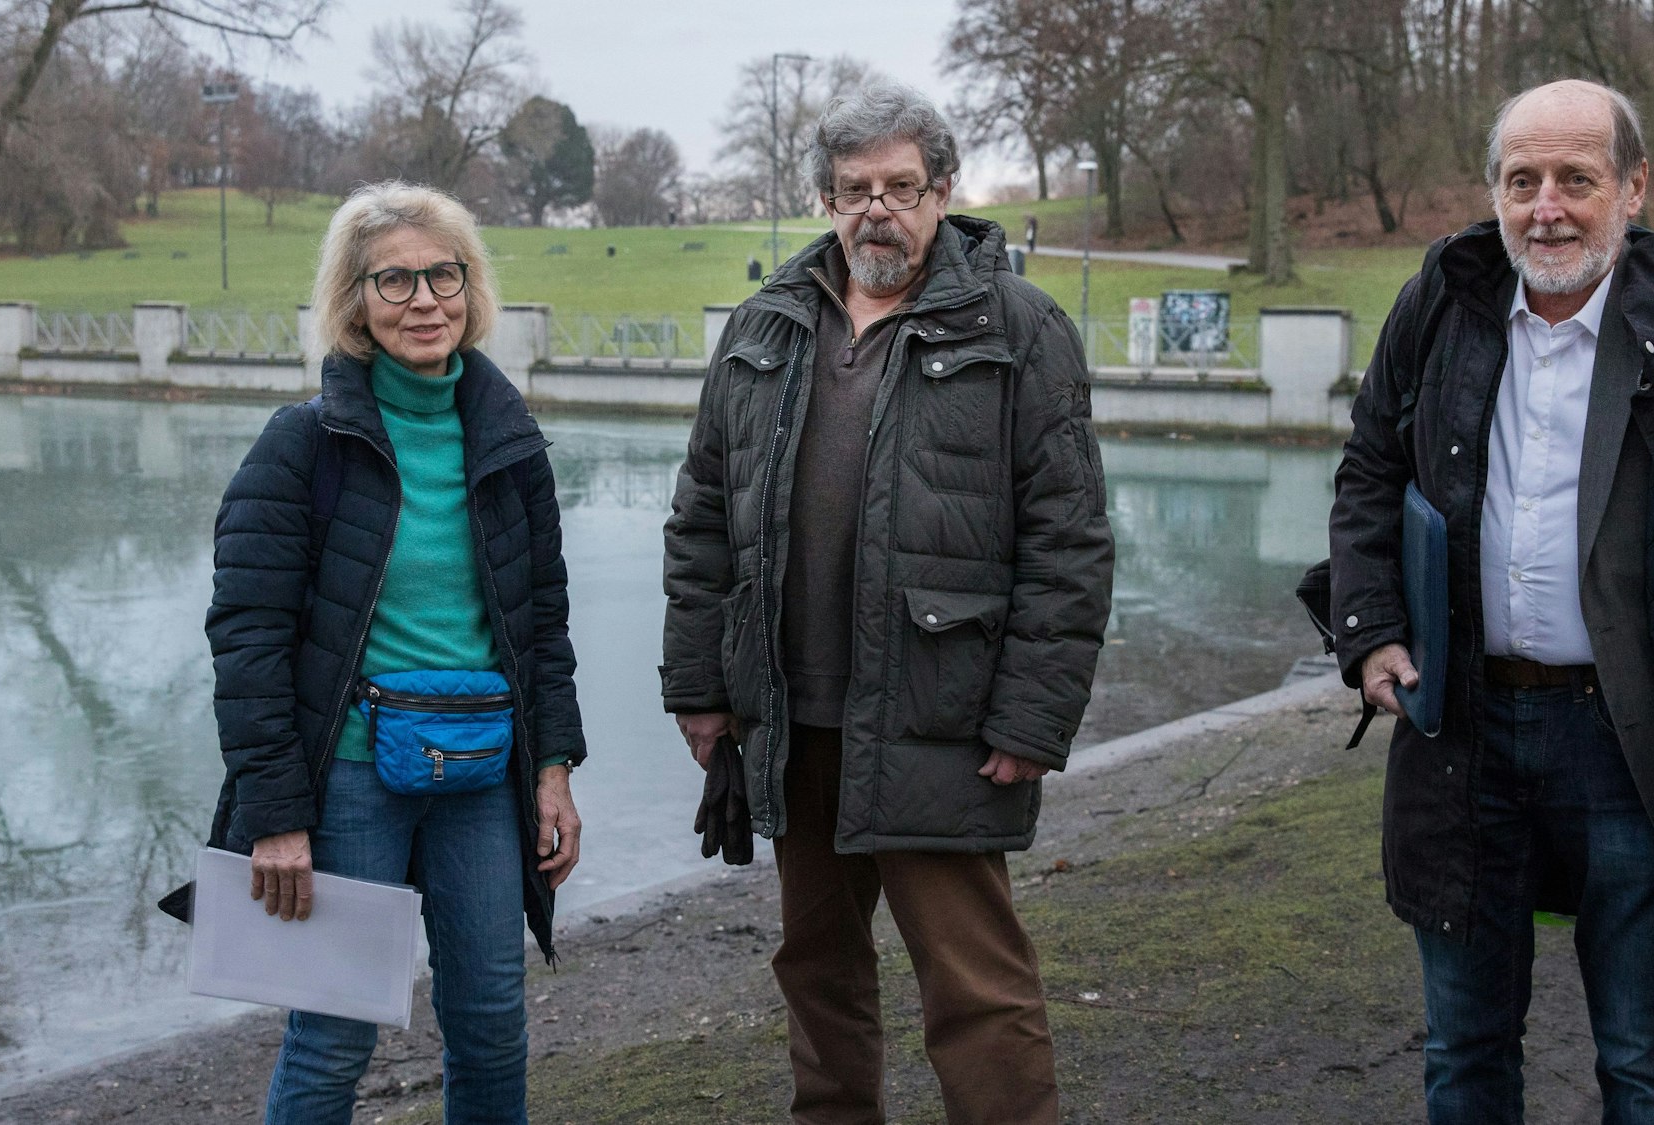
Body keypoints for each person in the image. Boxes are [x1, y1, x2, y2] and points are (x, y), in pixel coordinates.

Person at [1328, 80, 1654, 1124]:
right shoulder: (1440, 303)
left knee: (1644, 1061)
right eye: (1520, 181)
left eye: (1576, 178)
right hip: (1462, 734)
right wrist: (1371, 629)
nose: (1545, 208)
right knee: (1462, 1054)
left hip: (1640, 746)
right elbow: (1369, 472)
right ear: (1493, 191)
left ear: (1634, 185)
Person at [660, 79, 1112, 1125]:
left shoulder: (1020, 328)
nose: (877, 209)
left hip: (940, 720)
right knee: (815, 968)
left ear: (942, 193)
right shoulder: (761, 329)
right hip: (788, 717)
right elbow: (700, 524)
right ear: (825, 198)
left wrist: (1032, 718)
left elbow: (1069, 542)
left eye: (900, 187)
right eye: (854, 188)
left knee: (976, 991)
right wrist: (699, 690)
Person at [203, 181, 586, 1123]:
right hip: (351, 778)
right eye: (395, 280)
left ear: (471, 284)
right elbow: (245, 638)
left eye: (443, 274)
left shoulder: (509, 439)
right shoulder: (303, 445)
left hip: (484, 777)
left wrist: (554, 771)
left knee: (492, 1018)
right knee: (334, 1034)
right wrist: (276, 816)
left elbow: (542, 624)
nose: (425, 300)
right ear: (355, 301)